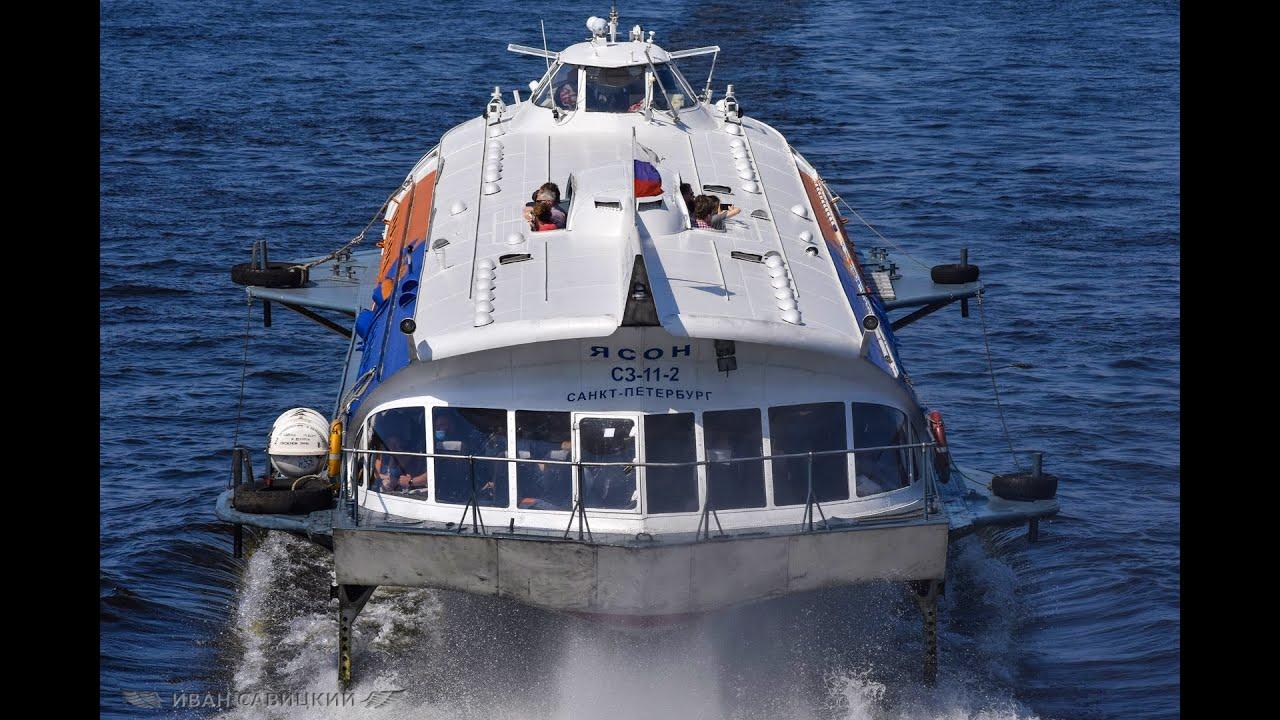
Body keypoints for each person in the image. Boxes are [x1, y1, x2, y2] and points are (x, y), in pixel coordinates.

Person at [375, 429, 428, 494]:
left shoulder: (405, 456)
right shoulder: (381, 455)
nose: (393, 447)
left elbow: (403, 477)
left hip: (400, 488)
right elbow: (376, 474)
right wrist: (387, 478)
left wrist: (393, 480)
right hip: (385, 486)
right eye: (390, 444)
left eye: (396, 443)